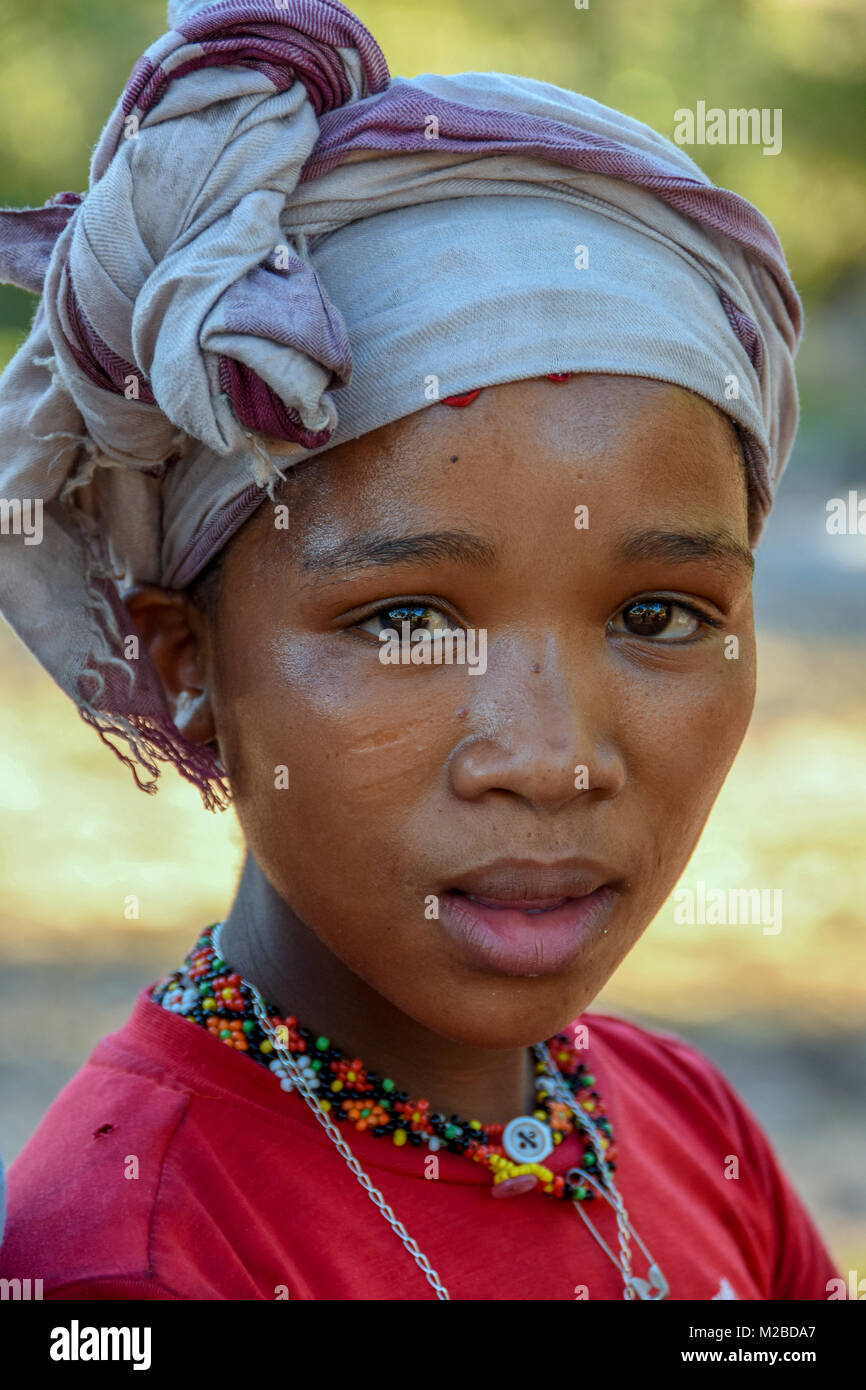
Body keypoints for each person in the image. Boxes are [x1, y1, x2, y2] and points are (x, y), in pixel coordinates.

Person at [0, 0, 839, 1300]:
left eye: (658, 614)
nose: (550, 760)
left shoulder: (688, 1127)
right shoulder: (140, 1259)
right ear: (186, 666)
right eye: (406, 620)